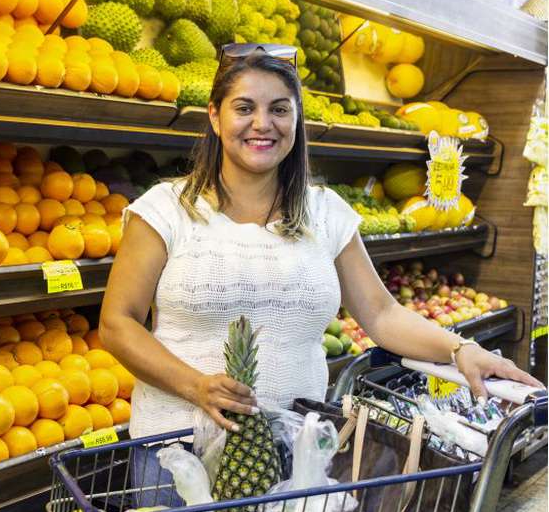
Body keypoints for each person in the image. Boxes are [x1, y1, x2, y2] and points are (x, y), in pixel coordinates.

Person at [99, 43, 543, 444]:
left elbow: (382, 313)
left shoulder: (325, 212)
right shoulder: (166, 209)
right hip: (177, 446)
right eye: (244, 108)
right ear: (215, 117)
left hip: (294, 445)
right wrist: (193, 385)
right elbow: (118, 323)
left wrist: (462, 350)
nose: (262, 124)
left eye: (279, 109)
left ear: (296, 120)